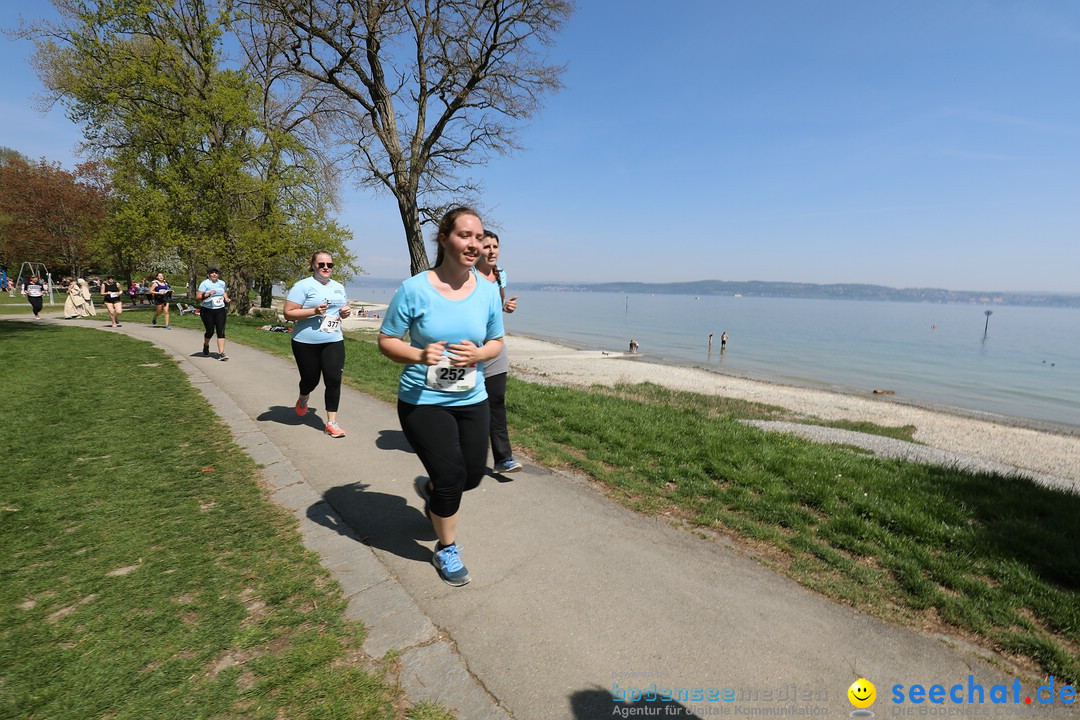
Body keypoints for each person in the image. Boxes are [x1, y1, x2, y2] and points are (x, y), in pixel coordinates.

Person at [378, 207, 504, 586]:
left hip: (471, 397)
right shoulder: (414, 289)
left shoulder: (487, 290)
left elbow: (497, 340)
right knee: (451, 476)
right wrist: (419, 354)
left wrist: (480, 354)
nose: (474, 244)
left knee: (470, 477)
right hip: (423, 399)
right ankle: (445, 549)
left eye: (479, 237)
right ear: (444, 238)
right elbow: (386, 340)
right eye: (465, 235)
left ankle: (431, 489)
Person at [283, 251, 352, 437]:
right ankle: (303, 397)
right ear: (313, 265)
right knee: (310, 380)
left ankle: (332, 423)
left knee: (333, 380)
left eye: (329, 265)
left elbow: (339, 311)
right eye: (321, 264)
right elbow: (288, 313)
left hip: (333, 339)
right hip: (305, 342)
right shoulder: (303, 286)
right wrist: (313, 311)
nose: (326, 268)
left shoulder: (338, 287)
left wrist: (345, 313)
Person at [475, 230, 523, 474]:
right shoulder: (468, 276)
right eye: (487, 246)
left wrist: (507, 308)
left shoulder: (500, 275)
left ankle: (503, 458)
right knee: (469, 402)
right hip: (470, 349)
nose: (492, 250)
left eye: (496, 246)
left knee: (496, 401)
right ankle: (466, 451)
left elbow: (494, 310)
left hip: (495, 347)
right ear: (477, 249)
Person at [196, 267, 231, 360]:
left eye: (216, 273)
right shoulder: (204, 284)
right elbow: (198, 296)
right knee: (210, 332)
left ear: (218, 274)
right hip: (207, 310)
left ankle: (221, 353)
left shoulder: (222, 283)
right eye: (212, 273)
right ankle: (206, 345)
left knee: (221, 331)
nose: (214, 274)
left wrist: (226, 298)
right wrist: (208, 294)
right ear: (208, 274)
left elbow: (223, 292)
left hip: (220, 310)